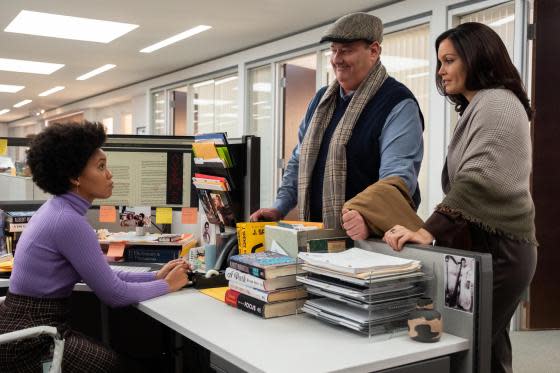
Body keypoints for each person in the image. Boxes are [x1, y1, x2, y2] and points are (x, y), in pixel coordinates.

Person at [383, 22, 537, 373]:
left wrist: (428, 229)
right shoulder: (479, 106)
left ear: (476, 57)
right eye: (440, 62)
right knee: (488, 344)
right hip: (484, 248)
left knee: (470, 346)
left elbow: (479, 178)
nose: (441, 71)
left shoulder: (497, 102)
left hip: (501, 251)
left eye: (449, 60)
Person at [0, 121, 190, 372]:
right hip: (30, 339)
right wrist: (168, 285)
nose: (109, 174)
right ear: (74, 177)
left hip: (25, 324)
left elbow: (104, 275)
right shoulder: (68, 221)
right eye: (101, 167)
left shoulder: (57, 209)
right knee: (114, 365)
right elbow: (114, 294)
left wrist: (154, 276)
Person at [250, 12, 424, 240]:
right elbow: (299, 160)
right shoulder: (322, 100)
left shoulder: (397, 103)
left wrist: (369, 219)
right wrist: (279, 207)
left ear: (374, 51)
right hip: (315, 238)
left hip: (369, 243)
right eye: (334, 50)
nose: (336, 59)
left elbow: (397, 180)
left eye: (347, 50)